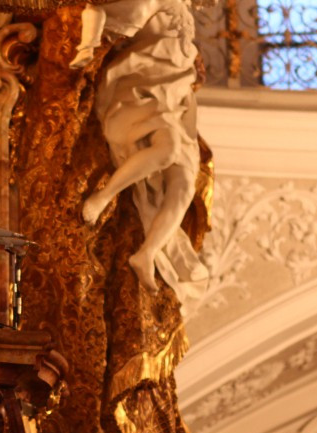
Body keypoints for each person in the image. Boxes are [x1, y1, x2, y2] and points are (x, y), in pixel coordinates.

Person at [70, 0, 208, 305]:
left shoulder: (182, 11)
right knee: (167, 150)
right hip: (141, 98)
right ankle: (103, 197)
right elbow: (102, 14)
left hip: (176, 104)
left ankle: (147, 252)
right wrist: (88, 47)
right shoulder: (153, 1)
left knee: (183, 184)